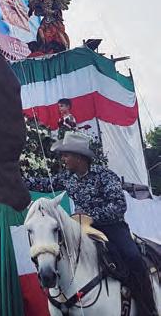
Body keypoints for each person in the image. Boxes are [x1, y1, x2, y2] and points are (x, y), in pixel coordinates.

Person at [26, 132, 157, 316]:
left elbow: (119, 206)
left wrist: (90, 216)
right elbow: (42, 184)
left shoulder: (105, 175)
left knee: (133, 257)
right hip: (81, 229)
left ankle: (147, 308)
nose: (63, 159)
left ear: (79, 157)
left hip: (112, 227)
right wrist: (13, 178)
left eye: (66, 155)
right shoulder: (67, 177)